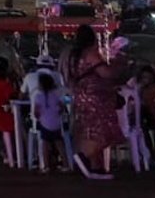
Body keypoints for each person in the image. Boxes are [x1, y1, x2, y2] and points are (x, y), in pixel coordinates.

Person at [61, 24, 127, 180]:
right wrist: (119, 64)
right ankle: (85, 155)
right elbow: (106, 73)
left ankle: (95, 166)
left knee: (90, 130)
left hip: (82, 95)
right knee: (103, 130)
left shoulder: (73, 55)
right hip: (96, 96)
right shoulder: (91, 54)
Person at [31, 71, 65, 172]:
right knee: (59, 143)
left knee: (44, 144)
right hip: (56, 123)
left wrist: (38, 117)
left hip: (44, 123)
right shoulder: (55, 95)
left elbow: (36, 112)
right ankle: (66, 163)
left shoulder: (38, 96)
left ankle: (46, 166)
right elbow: (61, 107)